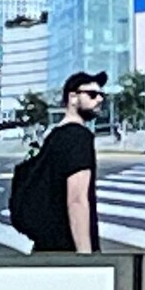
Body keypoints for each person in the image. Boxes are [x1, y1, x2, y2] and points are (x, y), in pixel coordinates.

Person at [31, 71, 107, 253]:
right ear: (73, 98)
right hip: (68, 248)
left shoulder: (54, 136)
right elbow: (77, 200)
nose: (100, 99)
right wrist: (85, 257)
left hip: (46, 246)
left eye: (101, 95)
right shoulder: (79, 137)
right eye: (92, 94)